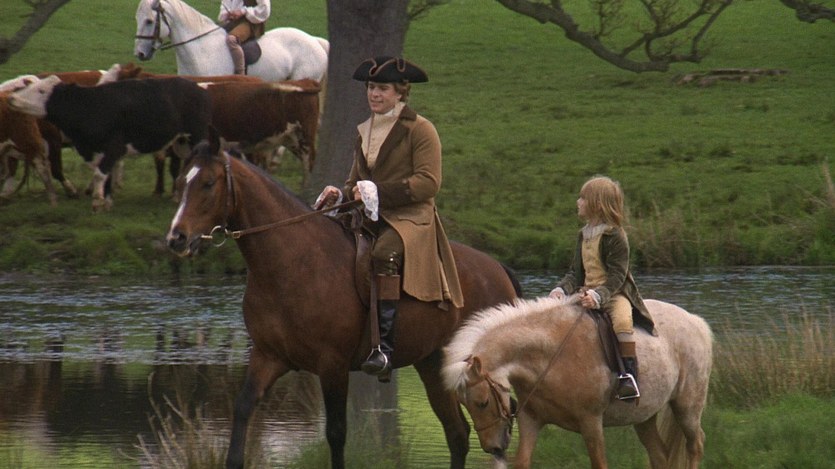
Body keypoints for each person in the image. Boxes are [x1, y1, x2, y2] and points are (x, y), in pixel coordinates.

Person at [315, 56, 464, 383]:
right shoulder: (365, 130)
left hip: (410, 217)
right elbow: (355, 182)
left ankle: (383, 347)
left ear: (400, 92)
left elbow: (429, 183)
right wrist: (341, 194)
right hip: (369, 215)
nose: (374, 94)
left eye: (382, 88)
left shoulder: (421, 130)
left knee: (383, 253)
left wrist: (378, 191)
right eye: (371, 87)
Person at [549, 176, 656, 400]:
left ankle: (629, 376)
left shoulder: (615, 235)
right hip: (585, 292)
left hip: (613, 293)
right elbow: (575, 272)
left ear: (597, 204)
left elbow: (618, 274)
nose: (578, 202)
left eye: (583, 198)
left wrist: (598, 296)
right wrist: (561, 290)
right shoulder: (583, 234)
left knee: (622, 322)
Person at [218, 0, 270, 75]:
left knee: (232, 40)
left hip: (251, 22)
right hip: (233, 21)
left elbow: (264, 9)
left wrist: (243, 11)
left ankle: (240, 73)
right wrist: (227, 14)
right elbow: (225, 5)